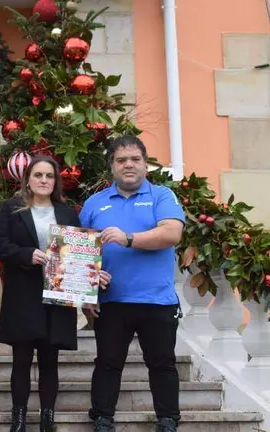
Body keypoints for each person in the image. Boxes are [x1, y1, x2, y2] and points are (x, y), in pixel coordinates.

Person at [0, 156, 110, 432]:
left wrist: (91, 278)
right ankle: (18, 419)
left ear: (55, 181)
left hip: (57, 297)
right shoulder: (11, 209)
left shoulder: (68, 214)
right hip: (22, 295)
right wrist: (25, 254)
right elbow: (0, 245)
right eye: (38, 175)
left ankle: (48, 419)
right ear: (28, 180)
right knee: (21, 360)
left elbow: (80, 253)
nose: (43, 180)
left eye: (49, 176)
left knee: (50, 361)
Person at [79, 136, 185, 432]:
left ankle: (167, 420)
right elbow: (80, 254)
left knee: (162, 364)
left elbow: (171, 233)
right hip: (112, 301)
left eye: (135, 159)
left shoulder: (163, 196)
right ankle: (102, 417)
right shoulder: (94, 203)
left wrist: (128, 238)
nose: (128, 165)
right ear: (112, 166)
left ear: (145, 164)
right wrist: (87, 291)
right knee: (108, 363)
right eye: (121, 160)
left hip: (157, 299)